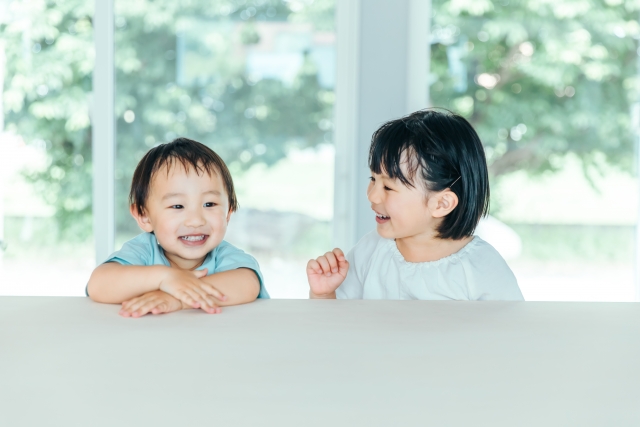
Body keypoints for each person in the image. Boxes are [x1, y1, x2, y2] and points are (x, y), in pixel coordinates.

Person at [307, 109, 524, 301]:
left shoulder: (483, 268)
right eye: (373, 179)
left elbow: (512, 337)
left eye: (389, 187)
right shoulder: (370, 251)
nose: (373, 196)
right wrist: (324, 294)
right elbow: (336, 330)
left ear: (441, 203)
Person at [87, 138, 269, 317]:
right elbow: (99, 284)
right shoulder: (143, 251)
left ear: (228, 212)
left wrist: (177, 299)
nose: (195, 220)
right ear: (144, 216)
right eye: (177, 206)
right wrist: (164, 278)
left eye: (209, 204)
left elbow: (247, 284)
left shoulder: (225, 257)